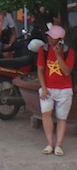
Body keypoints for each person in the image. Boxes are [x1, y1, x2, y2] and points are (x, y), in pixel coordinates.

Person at [39, 25, 74, 156]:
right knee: (46, 114)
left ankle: (59, 145)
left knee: (61, 118)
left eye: (52, 37)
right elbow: (40, 69)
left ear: (59, 39)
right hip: (48, 88)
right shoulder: (43, 50)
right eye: (49, 36)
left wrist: (59, 56)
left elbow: (66, 72)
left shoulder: (68, 52)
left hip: (64, 89)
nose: (49, 38)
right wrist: (43, 87)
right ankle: (50, 143)